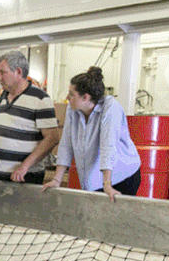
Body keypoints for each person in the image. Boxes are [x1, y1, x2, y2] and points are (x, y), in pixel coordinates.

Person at [42, 66, 142, 201]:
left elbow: (108, 145)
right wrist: (56, 179)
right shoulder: (73, 109)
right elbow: (66, 143)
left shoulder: (111, 107)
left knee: (113, 214)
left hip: (122, 175)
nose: (67, 97)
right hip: (95, 178)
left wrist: (107, 184)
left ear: (85, 97)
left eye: (71, 94)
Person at [0, 50, 60, 184]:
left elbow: (52, 138)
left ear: (18, 72)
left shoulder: (40, 99)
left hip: (22, 179)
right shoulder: (3, 96)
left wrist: (24, 166)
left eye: (2, 72)